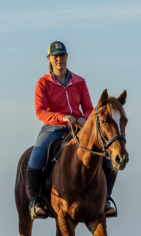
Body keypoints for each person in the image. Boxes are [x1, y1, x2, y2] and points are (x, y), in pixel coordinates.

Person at [27, 41, 118, 219]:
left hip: (78, 129)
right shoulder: (43, 83)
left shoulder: (79, 82)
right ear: (49, 59)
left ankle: (106, 199)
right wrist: (62, 117)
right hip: (53, 129)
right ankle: (34, 201)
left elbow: (89, 108)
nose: (59, 59)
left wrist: (86, 118)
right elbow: (40, 111)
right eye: (56, 56)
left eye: (62, 55)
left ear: (67, 57)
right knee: (36, 157)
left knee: (107, 157)